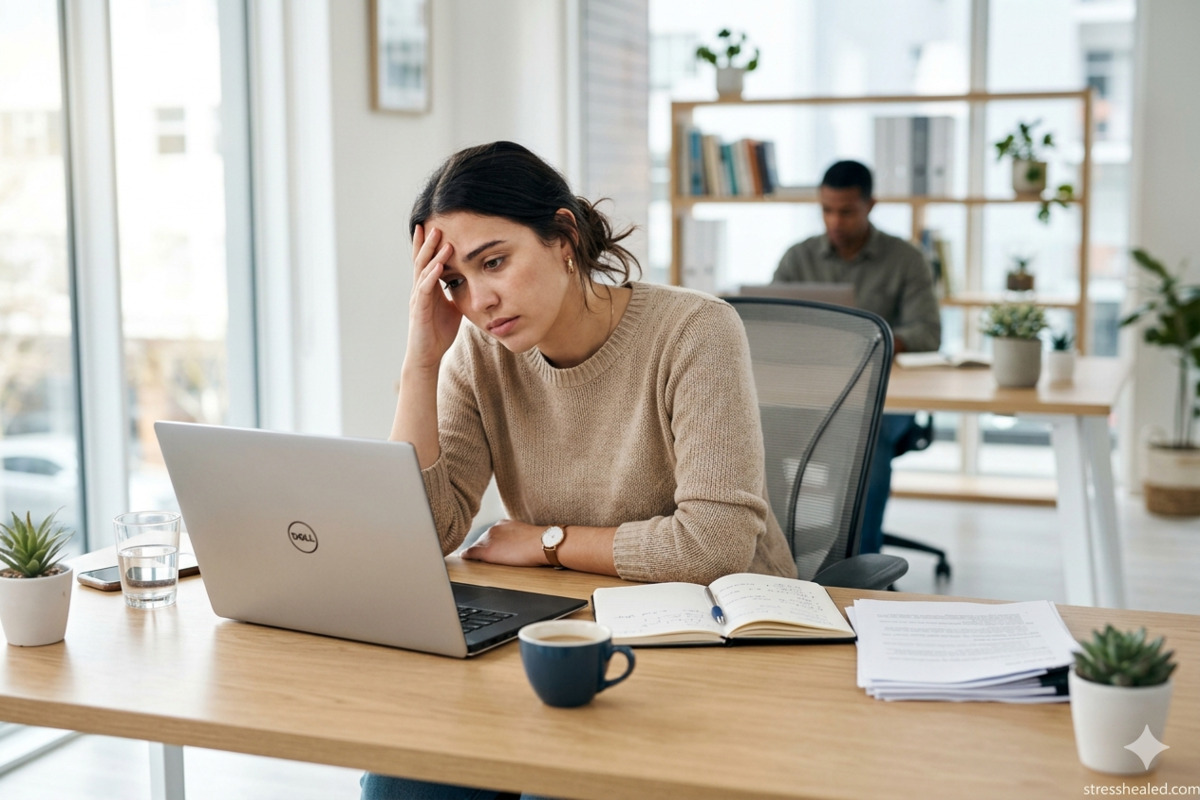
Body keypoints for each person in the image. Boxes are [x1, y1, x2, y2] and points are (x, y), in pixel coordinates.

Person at [362, 141, 795, 800]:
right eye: (455, 282)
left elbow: (714, 545)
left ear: (563, 236)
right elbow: (426, 533)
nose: (478, 300)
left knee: (558, 786)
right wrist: (421, 362)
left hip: (712, 632)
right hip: (565, 627)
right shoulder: (477, 352)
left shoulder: (696, 332)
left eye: (495, 262)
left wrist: (546, 542)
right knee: (402, 782)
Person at [772, 159, 941, 556]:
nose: (835, 221)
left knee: (868, 437)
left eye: (846, 211)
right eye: (827, 210)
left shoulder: (906, 259)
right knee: (761, 435)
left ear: (871, 205)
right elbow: (774, 326)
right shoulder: (798, 258)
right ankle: (776, 560)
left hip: (883, 401)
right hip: (809, 398)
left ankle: (860, 571)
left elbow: (928, 333)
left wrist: (872, 340)